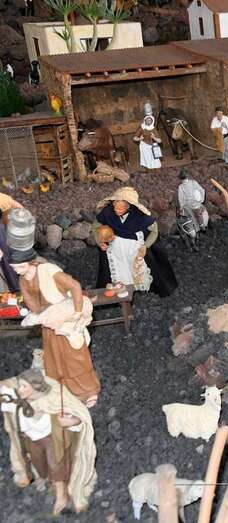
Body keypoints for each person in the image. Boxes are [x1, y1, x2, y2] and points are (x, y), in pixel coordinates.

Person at [6, 210, 100, 408]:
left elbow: (74, 286)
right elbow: (31, 302)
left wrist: (76, 311)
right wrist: (38, 316)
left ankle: (87, 390)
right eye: (14, 268)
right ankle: (61, 390)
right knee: (54, 359)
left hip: (66, 320)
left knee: (75, 357)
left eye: (18, 266)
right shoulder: (23, 280)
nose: (16, 271)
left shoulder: (48, 271)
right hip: (48, 324)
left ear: (29, 262)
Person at [0, 369, 97, 516]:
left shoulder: (53, 401)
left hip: (51, 440)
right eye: (20, 386)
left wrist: (70, 421)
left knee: (56, 466)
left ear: (35, 387)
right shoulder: (18, 400)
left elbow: (78, 417)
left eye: (24, 386)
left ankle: (61, 495)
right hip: (32, 440)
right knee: (40, 465)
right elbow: (7, 390)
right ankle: (45, 478)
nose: (20, 389)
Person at [93, 187, 178, 297]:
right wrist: (100, 242)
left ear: (128, 206)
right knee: (117, 270)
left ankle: (138, 287)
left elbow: (154, 231)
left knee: (137, 268)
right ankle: (120, 287)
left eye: (121, 209)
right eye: (115, 207)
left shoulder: (139, 216)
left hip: (134, 249)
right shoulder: (108, 212)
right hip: (115, 249)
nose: (117, 211)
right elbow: (96, 226)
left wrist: (146, 246)